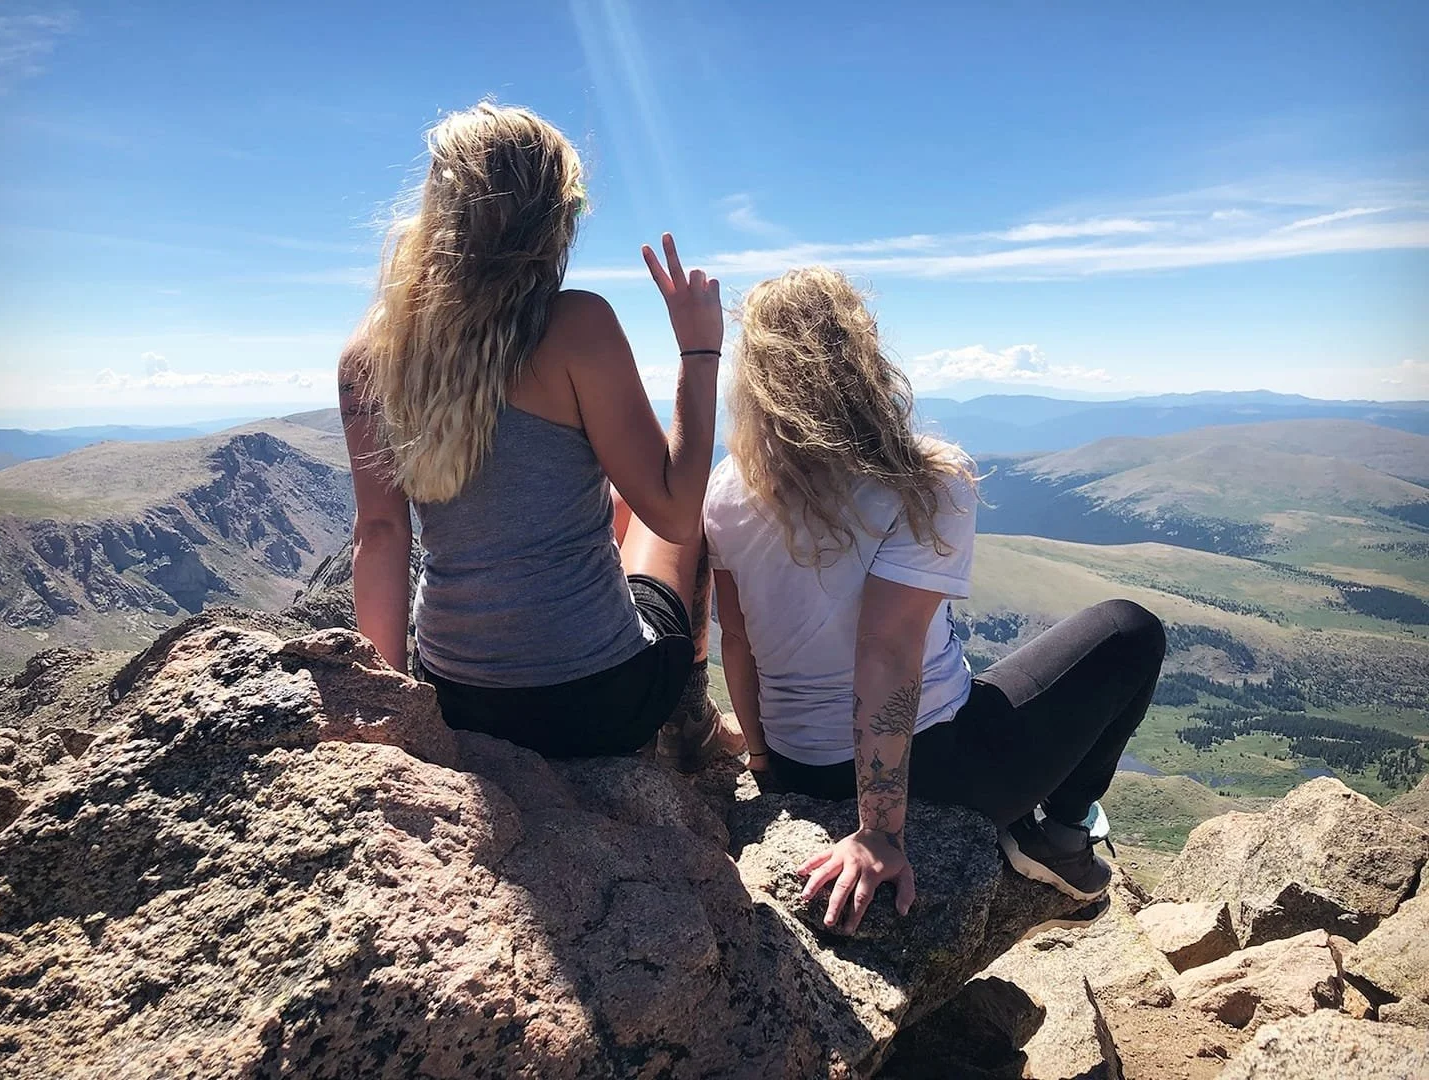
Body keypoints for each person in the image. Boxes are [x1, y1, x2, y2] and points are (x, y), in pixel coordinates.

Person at [705, 267, 1165, 934]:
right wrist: (878, 831)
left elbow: (738, 640)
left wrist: (766, 765)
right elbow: (888, 651)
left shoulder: (727, 487)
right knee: (1129, 630)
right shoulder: (923, 478)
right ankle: (1059, 836)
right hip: (941, 766)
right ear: (863, 356)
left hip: (800, 762)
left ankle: (1047, 830)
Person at [339, 101, 733, 764]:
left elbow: (379, 535)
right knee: (695, 517)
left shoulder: (371, 354)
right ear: (549, 221)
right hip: (600, 701)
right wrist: (699, 354)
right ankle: (691, 721)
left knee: (607, 501)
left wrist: (393, 708)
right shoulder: (577, 325)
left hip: (459, 698)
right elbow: (674, 509)